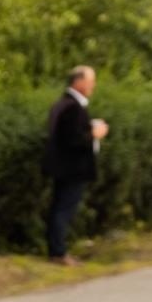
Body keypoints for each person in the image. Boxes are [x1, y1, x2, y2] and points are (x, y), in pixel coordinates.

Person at [42, 65, 109, 266]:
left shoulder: (63, 104)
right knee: (63, 209)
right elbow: (73, 140)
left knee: (60, 208)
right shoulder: (72, 107)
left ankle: (57, 249)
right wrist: (94, 133)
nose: (93, 85)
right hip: (72, 168)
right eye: (90, 81)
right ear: (78, 82)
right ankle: (58, 252)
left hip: (63, 167)